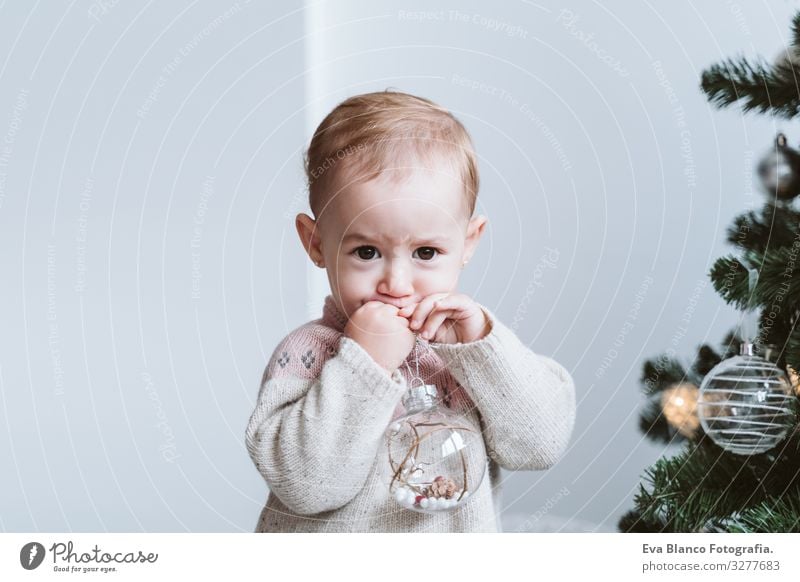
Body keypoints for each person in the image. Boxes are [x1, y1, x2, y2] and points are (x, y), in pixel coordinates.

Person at [245, 90, 576, 532]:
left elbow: (539, 445)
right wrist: (365, 363)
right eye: (366, 251)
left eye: (426, 251)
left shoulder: (468, 350)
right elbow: (308, 486)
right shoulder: (307, 355)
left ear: (467, 243)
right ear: (317, 243)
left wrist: (482, 347)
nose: (396, 284)